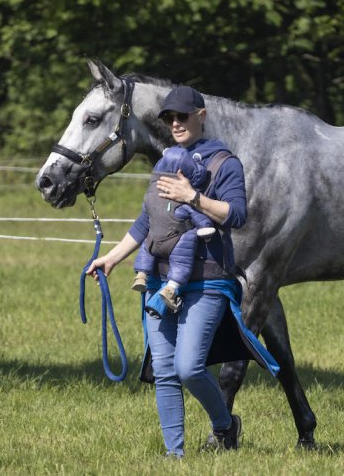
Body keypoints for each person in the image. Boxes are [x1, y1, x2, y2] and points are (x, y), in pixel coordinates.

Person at [86, 85, 278, 458]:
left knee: (189, 368)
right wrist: (113, 258)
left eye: (182, 116)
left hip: (207, 280)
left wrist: (194, 197)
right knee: (165, 371)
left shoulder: (225, 162)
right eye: (169, 117)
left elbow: (237, 215)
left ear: (201, 116)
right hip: (159, 279)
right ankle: (174, 455)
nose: (175, 123)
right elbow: (147, 221)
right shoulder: (164, 162)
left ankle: (225, 426)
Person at [130, 143, 216, 315]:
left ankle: (141, 274)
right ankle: (171, 288)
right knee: (182, 258)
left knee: (147, 246)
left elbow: (146, 218)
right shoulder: (182, 198)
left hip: (154, 240)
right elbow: (196, 214)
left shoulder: (150, 196)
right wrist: (205, 228)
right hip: (176, 242)